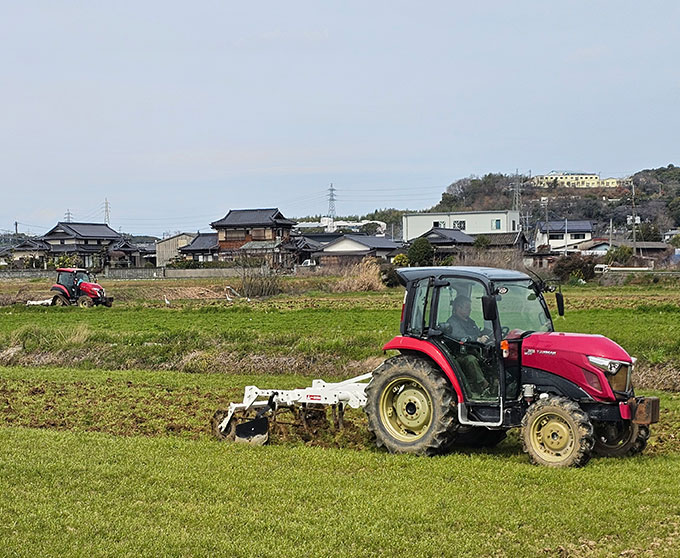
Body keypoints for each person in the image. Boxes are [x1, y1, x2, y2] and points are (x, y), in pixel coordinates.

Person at [443, 295, 493, 398]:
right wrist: (477, 339)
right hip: (459, 355)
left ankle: (496, 383)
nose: (470, 310)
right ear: (458, 308)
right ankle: (483, 386)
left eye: (469, 307)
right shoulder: (453, 323)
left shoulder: (470, 322)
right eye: (467, 307)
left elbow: (477, 332)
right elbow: (460, 337)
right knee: (471, 360)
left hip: (473, 350)